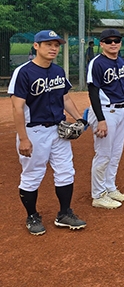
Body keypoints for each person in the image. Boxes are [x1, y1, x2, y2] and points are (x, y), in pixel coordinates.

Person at [9, 30, 87, 235]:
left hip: (59, 130)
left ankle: (64, 213)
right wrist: (23, 139)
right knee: (32, 175)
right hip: (34, 131)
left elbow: (65, 98)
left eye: (56, 45)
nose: (53, 48)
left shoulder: (58, 71)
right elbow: (17, 108)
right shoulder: (23, 72)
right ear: (36, 46)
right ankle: (32, 216)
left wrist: (79, 119)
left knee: (66, 171)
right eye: (48, 44)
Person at [86, 29, 124, 209]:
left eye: (116, 40)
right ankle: (98, 195)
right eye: (109, 41)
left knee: (115, 154)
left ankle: (110, 187)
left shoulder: (121, 62)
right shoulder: (97, 63)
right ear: (102, 44)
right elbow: (92, 92)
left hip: (121, 111)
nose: (113, 43)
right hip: (105, 111)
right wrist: (101, 120)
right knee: (103, 154)